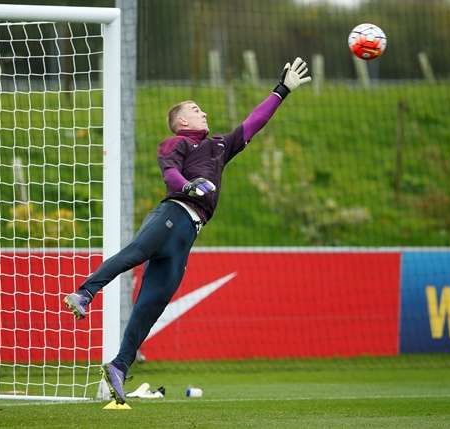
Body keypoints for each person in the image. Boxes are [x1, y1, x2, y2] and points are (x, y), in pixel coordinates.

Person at [63, 57, 311, 404]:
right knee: (134, 253)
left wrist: (281, 90)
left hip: (187, 235)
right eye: (195, 109)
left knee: (152, 304)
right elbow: (170, 176)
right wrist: (190, 186)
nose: (203, 113)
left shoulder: (220, 146)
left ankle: (120, 365)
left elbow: (253, 123)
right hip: (172, 215)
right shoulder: (174, 143)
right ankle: (85, 293)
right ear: (181, 121)